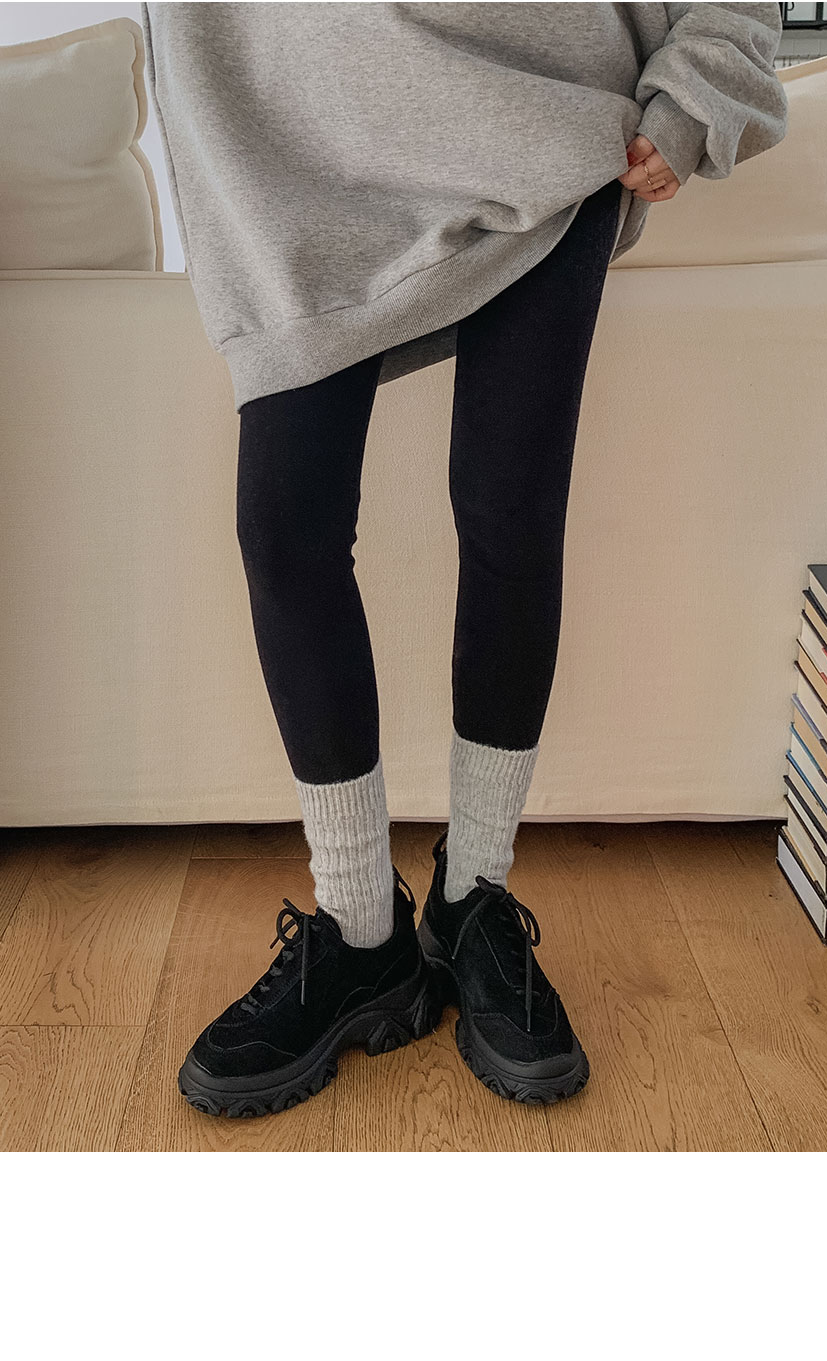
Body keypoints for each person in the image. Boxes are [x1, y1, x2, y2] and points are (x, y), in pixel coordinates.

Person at [140, 2, 788, 1117]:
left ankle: (474, 893)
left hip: (549, 125)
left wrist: (695, 93)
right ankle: (361, 933)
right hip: (292, 146)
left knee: (509, 514)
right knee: (284, 528)